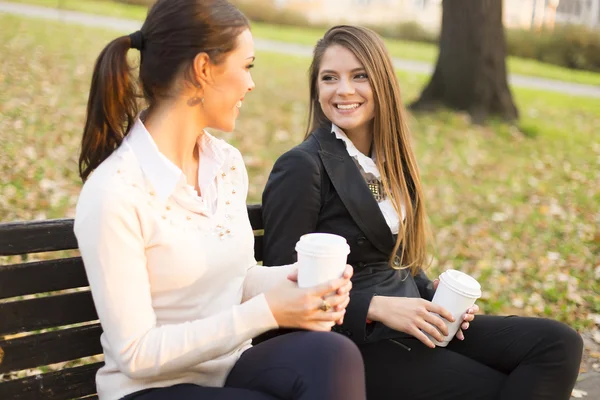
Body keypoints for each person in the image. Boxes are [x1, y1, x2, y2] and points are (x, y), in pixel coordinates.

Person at [261, 25, 583, 400]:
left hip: (415, 322)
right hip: (356, 344)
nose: (343, 90)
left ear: (382, 83)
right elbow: (280, 285)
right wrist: (375, 309)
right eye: (329, 78)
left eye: (359, 76)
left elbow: (392, 256)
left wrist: (436, 296)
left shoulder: (388, 160)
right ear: (317, 90)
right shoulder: (302, 166)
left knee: (558, 344)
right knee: (498, 387)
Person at [73, 2, 366, 400]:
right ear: (203, 69)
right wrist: (267, 312)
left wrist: (301, 282)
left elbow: (238, 278)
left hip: (228, 371)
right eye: (246, 66)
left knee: (333, 355)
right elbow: (135, 354)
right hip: (150, 388)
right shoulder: (116, 192)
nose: (251, 83)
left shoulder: (224, 164)